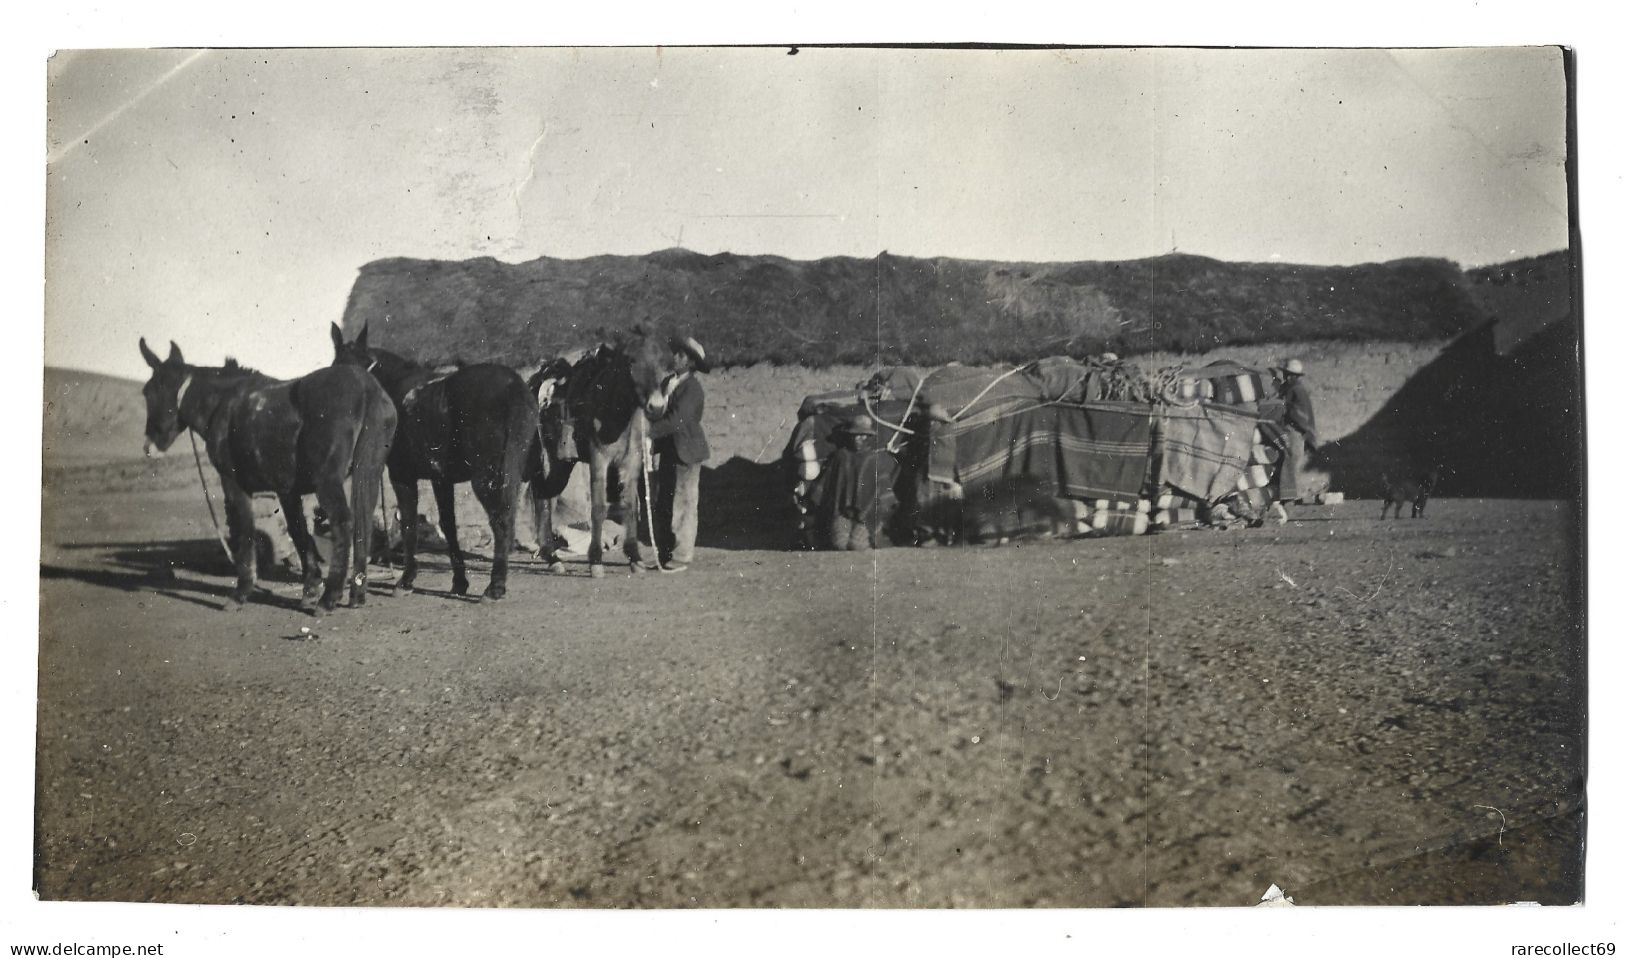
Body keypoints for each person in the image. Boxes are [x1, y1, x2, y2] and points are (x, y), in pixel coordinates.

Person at [648, 335, 711, 572]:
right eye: (675, 352)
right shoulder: (667, 383)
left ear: (691, 363)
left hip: (686, 452)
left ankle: (681, 555)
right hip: (668, 452)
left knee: (682, 504)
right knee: (664, 503)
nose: (675, 357)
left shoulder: (692, 388)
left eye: (681, 354)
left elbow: (677, 420)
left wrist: (649, 432)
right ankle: (665, 554)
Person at [1272, 358, 1319, 522]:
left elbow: (1299, 413)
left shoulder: (1296, 390)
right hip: (1292, 429)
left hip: (1295, 430)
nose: (1286, 376)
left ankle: (1288, 499)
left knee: (1290, 460)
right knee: (1289, 460)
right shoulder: (1290, 388)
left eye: (1288, 374)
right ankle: (1286, 498)